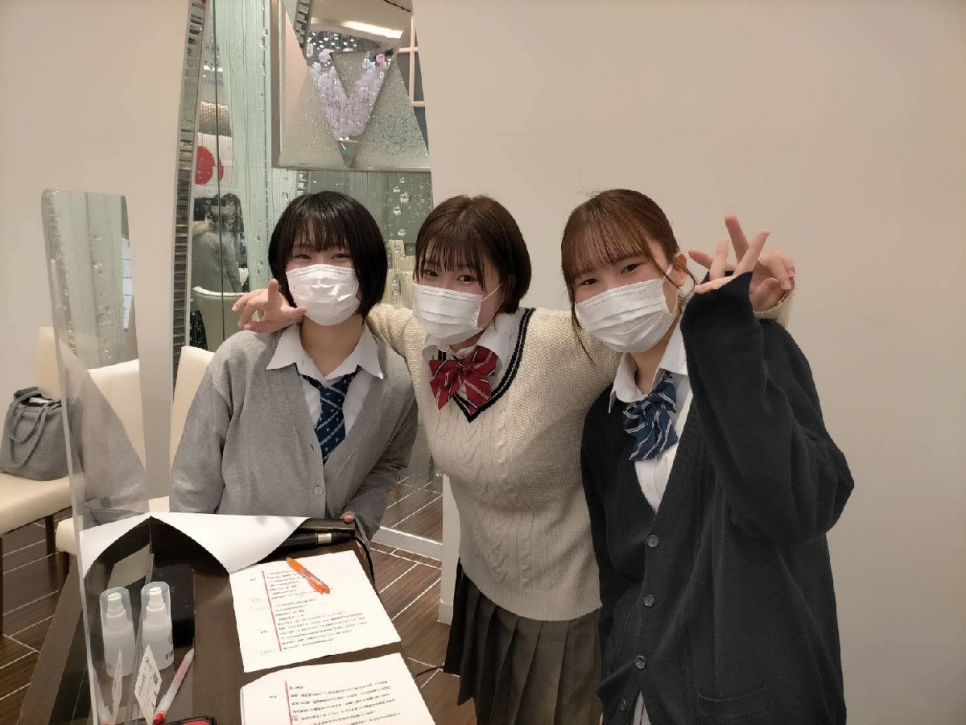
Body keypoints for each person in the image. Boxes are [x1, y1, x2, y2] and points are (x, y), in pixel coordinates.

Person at [232, 195, 795, 725]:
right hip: (481, 585)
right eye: (431, 273)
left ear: (506, 285)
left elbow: (653, 323)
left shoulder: (563, 343)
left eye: (467, 277)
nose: (444, 292)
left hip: (563, 601)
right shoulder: (419, 338)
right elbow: (358, 311)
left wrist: (750, 307)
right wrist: (283, 308)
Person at [563, 190, 852, 724]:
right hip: (642, 695)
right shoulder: (604, 421)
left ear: (677, 268)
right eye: (588, 281)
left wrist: (729, 341)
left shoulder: (754, 354)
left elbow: (804, 507)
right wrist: (616, 681)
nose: (612, 292)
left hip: (756, 701)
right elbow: (620, 575)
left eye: (629, 267)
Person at [171, 192, 418, 541]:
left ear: (370, 264)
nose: (322, 271)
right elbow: (194, 476)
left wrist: (363, 515)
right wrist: (189, 554)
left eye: (341, 255)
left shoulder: (398, 383)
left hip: (331, 558)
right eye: (303, 255)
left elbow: (388, 463)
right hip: (235, 556)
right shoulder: (240, 361)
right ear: (282, 269)